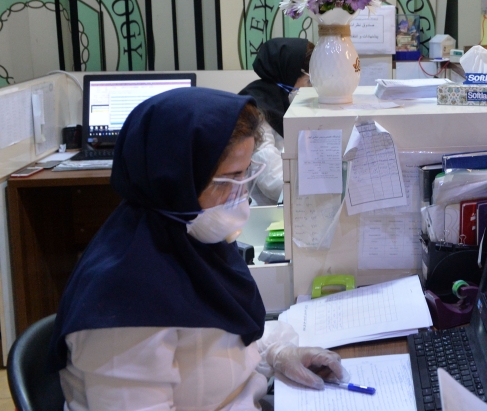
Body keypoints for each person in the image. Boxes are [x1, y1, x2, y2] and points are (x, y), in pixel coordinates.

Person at [51, 88, 347, 409]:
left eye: (245, 174)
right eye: (227, 180)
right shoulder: (123, 301)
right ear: (177, 179)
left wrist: (278, 353)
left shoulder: (191, 239)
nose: (240, 195)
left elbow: (221, 340)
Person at [239, 38, 313, 206]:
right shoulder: (256, 109)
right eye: (308, 81)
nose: (310, 87)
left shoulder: (283, 102)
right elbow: (272, 179)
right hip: (265, 210)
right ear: (290, 73)